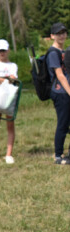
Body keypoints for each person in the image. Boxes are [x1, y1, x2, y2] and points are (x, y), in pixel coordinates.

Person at [46, 22, 70, 164]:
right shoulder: (53, 53)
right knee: (63, 123)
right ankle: (58, 155)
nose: (62, 35)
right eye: (58, 33)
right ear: (52, 36)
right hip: (61, 92)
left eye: (63, 32)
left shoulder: (64, 51)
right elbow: (60, 75)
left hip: (66, 91)